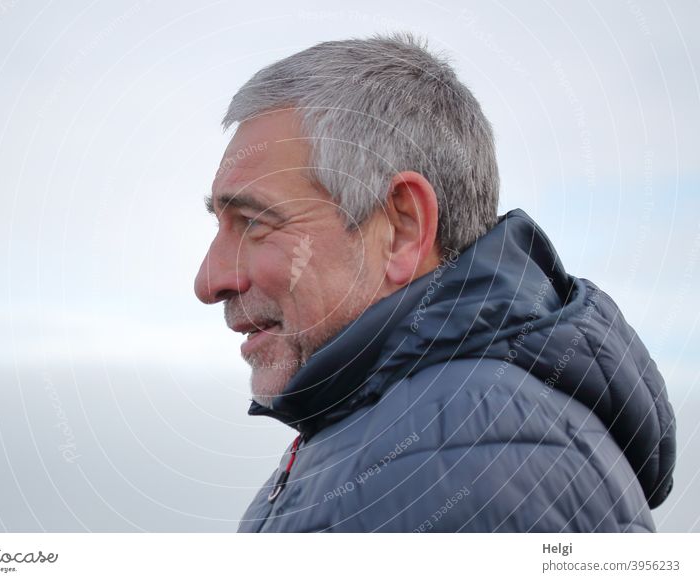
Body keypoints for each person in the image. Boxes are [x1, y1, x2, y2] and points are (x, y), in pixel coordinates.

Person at [194, 33, 675, 532]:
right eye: (220, 226)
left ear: (402, 228)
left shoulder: (476, 453)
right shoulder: (424, 438)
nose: (208, 282)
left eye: (255, 222)